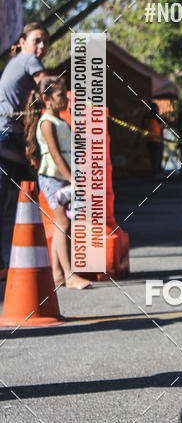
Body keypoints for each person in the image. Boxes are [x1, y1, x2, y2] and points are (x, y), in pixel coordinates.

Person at [24, 75, 91, 289]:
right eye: (61, 95)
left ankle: (57, 273)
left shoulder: (61, 121)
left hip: (63, 177)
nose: (65, 99)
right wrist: (73, 179)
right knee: (63, 223)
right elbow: (55, 155)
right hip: (52, 178)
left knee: (61, 223)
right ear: (47, 98)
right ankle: (70, 275)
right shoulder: (46, 123)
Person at [0, 22, 49, 279]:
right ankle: (45, 259)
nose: (41, 47)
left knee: (19, 199)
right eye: (37, 40)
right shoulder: (28, 59)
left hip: (10, 138)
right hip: (6, 138)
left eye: (45, 43)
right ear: (22, 41)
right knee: (35, 193)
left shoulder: (15, 62)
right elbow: (47, 86)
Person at [143, 102, 164, 179]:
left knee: (153, 157)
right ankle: (156, 172)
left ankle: (154, 171)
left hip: (149, 140)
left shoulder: (146, 117)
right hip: (157, 141)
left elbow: (141, 128)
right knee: (157, 157)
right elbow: (163, 125)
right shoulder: (157, 117)